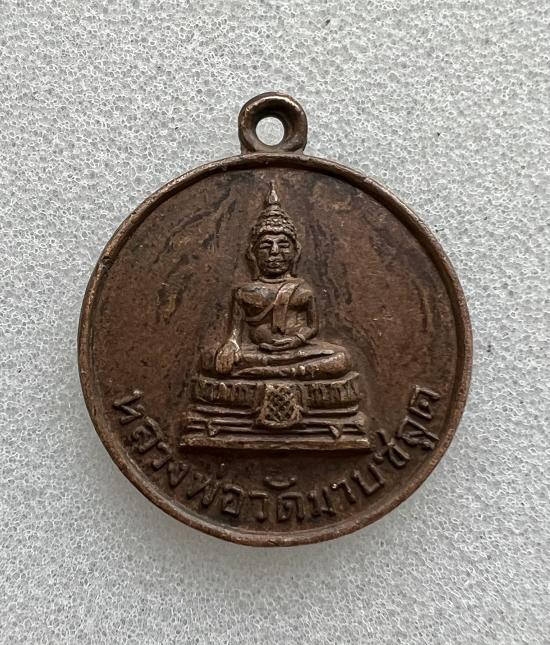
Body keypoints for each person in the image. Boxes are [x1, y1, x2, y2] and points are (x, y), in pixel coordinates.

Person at [204, 182, 351, 381]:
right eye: (266, 246)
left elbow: (312, 327)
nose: (275, 252)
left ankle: (276, 373)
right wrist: (231, 346)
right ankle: (283, 371)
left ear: (296, 252)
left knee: (341, 358)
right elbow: (234, 334)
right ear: (252, 253)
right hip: (258, 352)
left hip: (297, 352)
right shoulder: (244, 291)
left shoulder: (302, 289)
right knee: (209, 358)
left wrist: (297, 340)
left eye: (283, 245)